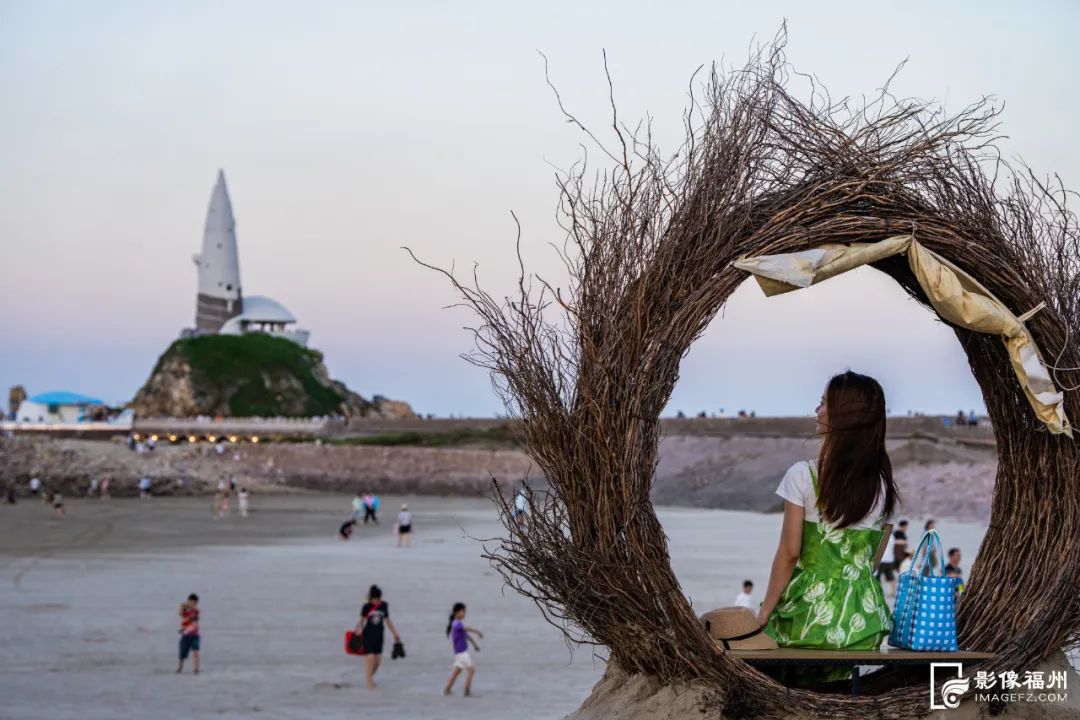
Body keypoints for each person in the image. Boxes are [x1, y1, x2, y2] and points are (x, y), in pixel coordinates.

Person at [758, 372, 899, 684]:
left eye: (823, 403)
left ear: (842, 414)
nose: (817, 410)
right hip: (863, 623)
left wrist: (764, 613)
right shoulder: (885, 488)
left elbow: (789, 554)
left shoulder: (803, 476)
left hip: (806, 620)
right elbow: (870, 565)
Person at [355, 585, 401, 689]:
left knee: (378, 661)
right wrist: (358, 630)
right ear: (370, 598)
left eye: (378, 599)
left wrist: (395, 633)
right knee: (370, 658)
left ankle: (369, 677)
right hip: (368, 635)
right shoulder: (366, 607)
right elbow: (362, 621)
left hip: (379, 635)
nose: (376, 601)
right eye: (374, 599)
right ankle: (369, 683)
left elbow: (388, 621)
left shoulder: (384, 605)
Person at [443, 602, 483, 697]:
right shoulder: (456, 623)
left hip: (460, 653)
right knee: (471, 670)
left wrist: (475, 645)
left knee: (457, 671)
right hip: (461, 653)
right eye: (463, 611)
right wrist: (478, 632)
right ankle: (466, 691)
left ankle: (447, 689)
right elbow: (467, 629)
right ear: (457, 612)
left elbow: (466, 636)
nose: (464, 614)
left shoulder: (459, 624)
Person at [177, 593, 200, 674]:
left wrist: (189, 607)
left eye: (194, 602)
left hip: (194, 635)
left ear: (196, 603)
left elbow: (192, 617)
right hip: (186, 635)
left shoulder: (196, 611)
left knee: (196, 652)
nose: (191, 604)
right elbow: (180, 613)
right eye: (190, 602)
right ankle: (180, 667)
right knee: (182, 652)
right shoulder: (185, 612)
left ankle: (196, 668)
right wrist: (182, 606)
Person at [876, 525, 898, 597]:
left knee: (878, 577)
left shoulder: (881, 535)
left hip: (882, 559)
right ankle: (893, 592)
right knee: (891, 576)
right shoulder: (892, 536)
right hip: (890, 560)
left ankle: (879, 592)